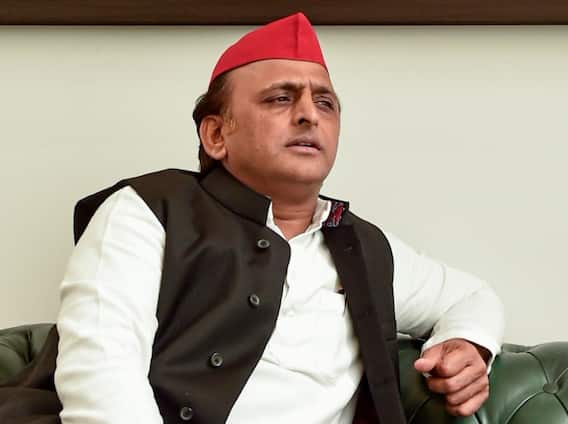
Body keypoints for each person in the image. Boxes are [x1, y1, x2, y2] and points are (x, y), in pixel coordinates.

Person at [24, 12, 504, 424]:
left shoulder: (365, 247)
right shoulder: (145, 212)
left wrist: (467, 344)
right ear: (216, 135)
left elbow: (472, 297)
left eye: (325, 102)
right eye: (280, 98)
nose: (309, 115)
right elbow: (102, 375)